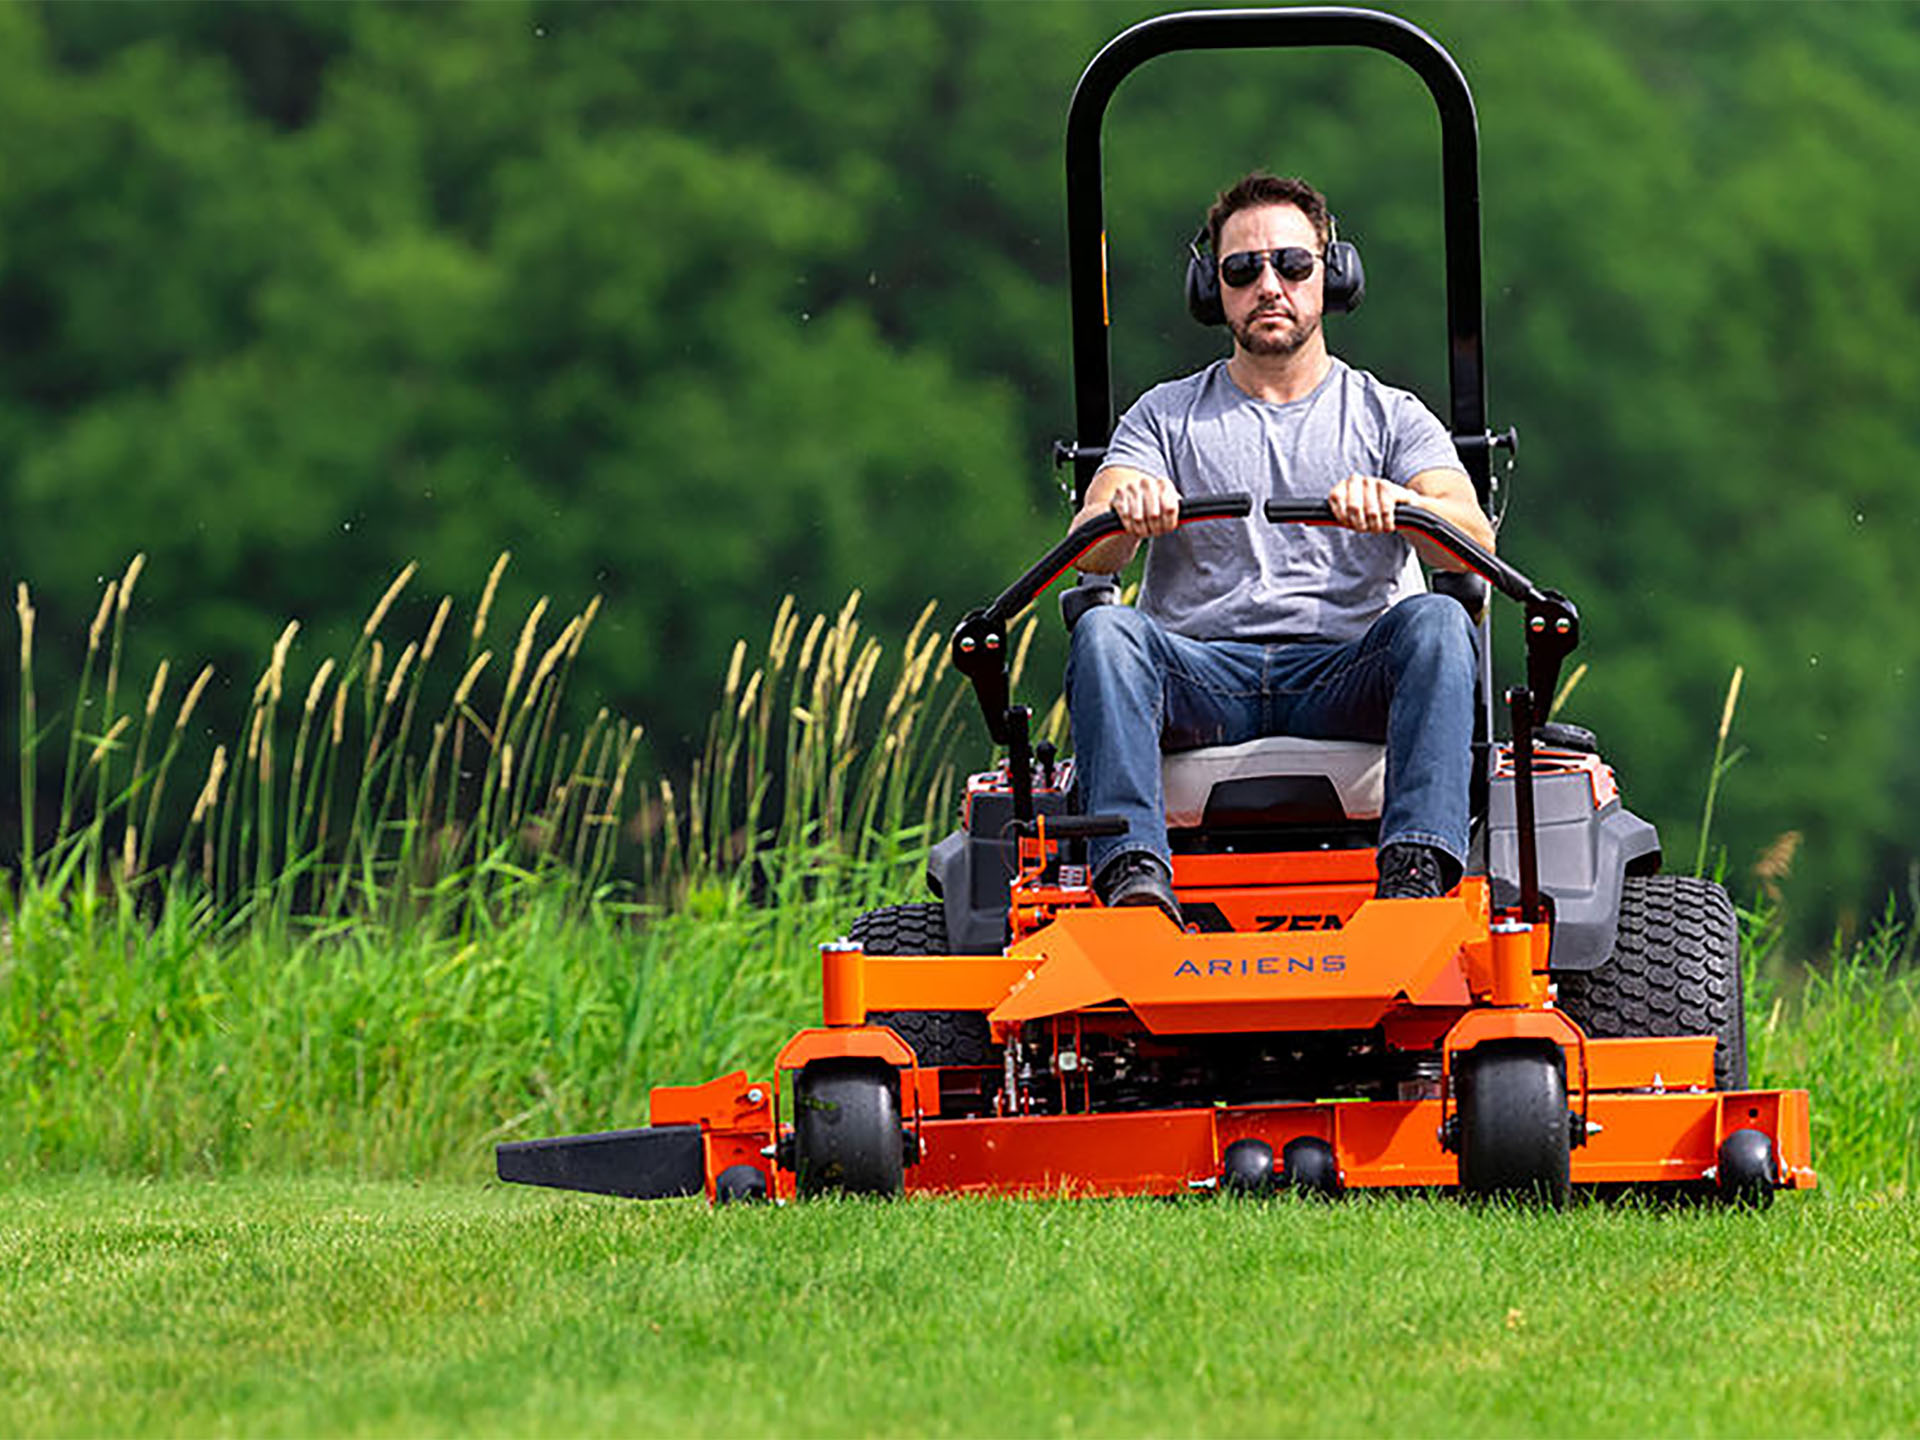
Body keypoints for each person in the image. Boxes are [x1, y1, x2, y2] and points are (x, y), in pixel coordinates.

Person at [1065, 172, 1495, 922]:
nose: (1270, 285)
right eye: (1243, 269)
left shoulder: (1387, 415)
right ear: (1213, 289)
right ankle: (1133, 876)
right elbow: (1086, 552)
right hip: (1201, 677)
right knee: (1105, 630)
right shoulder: (1164, 419)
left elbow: (1472, 540)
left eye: (1293, 265)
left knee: (1438, 621)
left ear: (1332, 275)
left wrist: (1407, 507)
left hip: (1347, 673)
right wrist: (1121, 513)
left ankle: (1415, 876)